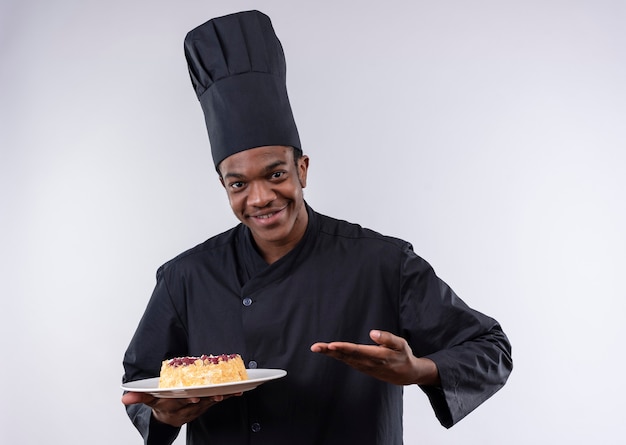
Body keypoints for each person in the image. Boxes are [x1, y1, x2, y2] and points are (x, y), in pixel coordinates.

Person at [121, 10, 513, 445]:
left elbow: (491, 349)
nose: (260, 198)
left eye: (275, 175)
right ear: (223, 186)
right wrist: (167, 417)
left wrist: (420, 369)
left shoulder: (381, 262)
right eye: (238, 184)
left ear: (301, 169)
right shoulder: (186, 277)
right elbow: (141, 386)